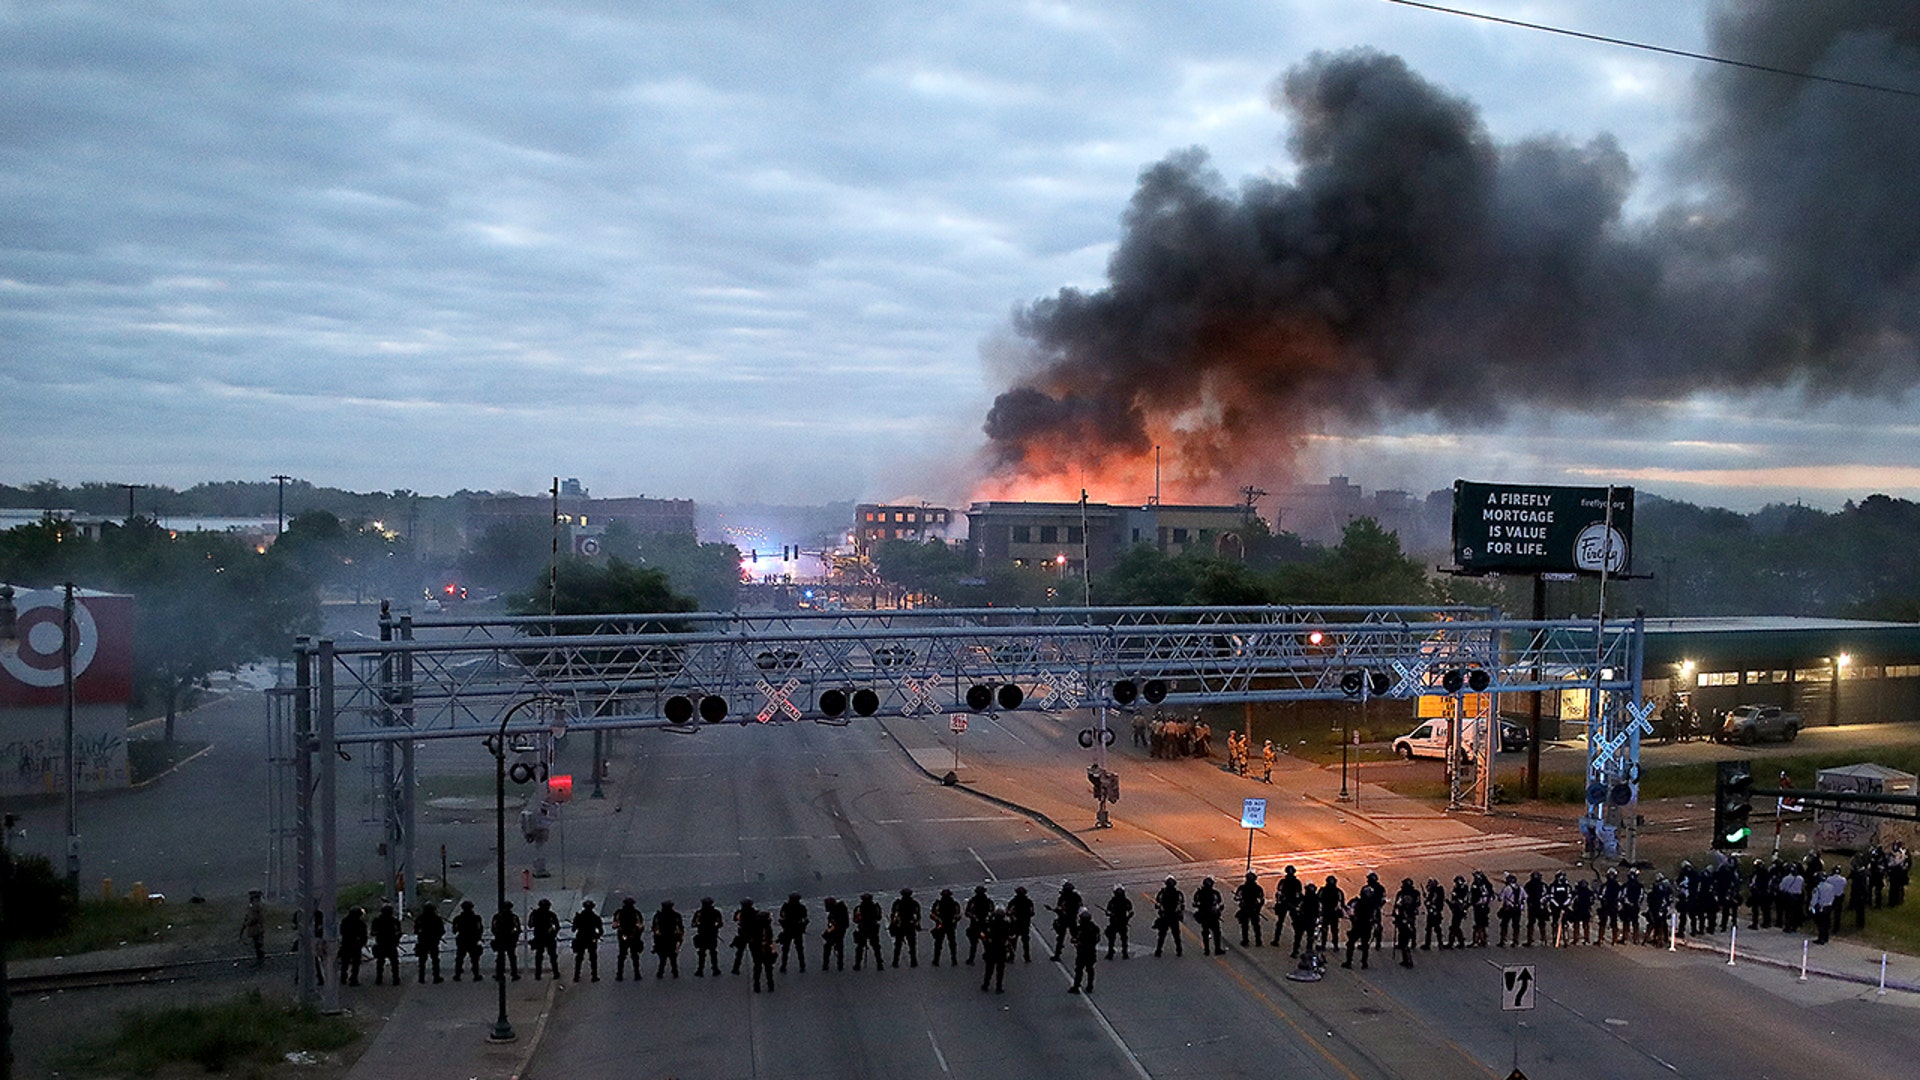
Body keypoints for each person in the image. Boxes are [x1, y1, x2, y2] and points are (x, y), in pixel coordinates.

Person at [1067, 910, 1101, 993]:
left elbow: (1076, 937)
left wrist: (1077, 941)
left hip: (1083, 951)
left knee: (1079, 969)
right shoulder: (1095, 928)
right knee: (1090, 969)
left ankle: (1076, 986)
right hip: (1091, 951)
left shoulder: (1082, 929)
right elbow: (1097, 939)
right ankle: (1090, 986)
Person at [527, 898, 561, 980]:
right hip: (547, 938)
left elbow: (530, 925)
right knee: (551, 956)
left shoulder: (537, 914)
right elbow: (557, 927)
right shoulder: (551, 915)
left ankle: (538, 974)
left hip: (541, 938)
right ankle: (555, 973)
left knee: (540, 957)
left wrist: (532, 915)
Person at [1047, 882, 1082, 961]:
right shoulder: (1076, 897)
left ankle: (1057, 955)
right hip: (1072, 919)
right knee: (1076, 936)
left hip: (1064, 920)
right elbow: (1080, 905)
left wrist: (1055, 910)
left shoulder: (1063, 898)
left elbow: (1060, 908)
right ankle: (1081, 953)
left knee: (1060, 938)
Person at [980, 906, 1012, 993]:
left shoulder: (990, 924)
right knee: (1000, 970)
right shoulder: (1006, 925)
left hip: (991, 949)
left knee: (989, 969)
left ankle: (986, 985)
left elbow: (983, 935)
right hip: (1001, 949)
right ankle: (998, 987)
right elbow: (1010, 936)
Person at [370, 903, 403, 985]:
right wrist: (396, 938)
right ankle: (395, 979)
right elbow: (399, 932)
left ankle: (380, 979)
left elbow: (372, 932)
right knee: (393, 962)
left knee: (381, 962)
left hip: (383, 943)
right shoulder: (394, 921)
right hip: (389, 944)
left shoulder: (377, 920)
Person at [451, 900, 484, 980]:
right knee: (474, 959)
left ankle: (457, 975)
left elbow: (454, 930)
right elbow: (480, 929)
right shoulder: (476, 918)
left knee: (459, 958)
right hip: (472, 940)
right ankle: (476, 975)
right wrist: (478, 937)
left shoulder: (458, 919)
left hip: (462, 939)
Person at [571, 899, 603, 982]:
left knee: (579, 958)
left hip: (581, 938)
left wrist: (576, 923)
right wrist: (597, 936)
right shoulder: (595, 917)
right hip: (591, 938)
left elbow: (573, 929)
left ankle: (576, 976)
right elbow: (601, 931)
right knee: (593, 958)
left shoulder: (579, 917)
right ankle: (594, 976)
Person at [615, 897, 647, 980]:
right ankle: (637, 974)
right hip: (634, 936)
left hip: (623, 935)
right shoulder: (636, 913)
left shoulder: (619, 913)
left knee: (622, 955)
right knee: (634, 955)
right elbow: (640, 926)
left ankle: (619, 974)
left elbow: (615, 925)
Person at [778, 893, 811, 973]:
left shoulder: (786, 907)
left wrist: (784, 925)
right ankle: (802, 965)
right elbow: (805, 919)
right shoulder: (801, 907)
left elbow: (781, 917)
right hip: (797, 930)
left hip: (788, 930)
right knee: (799, 949)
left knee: (786, 949)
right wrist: (802, 926)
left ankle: (784, 965)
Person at [1152, 877, 1185, 957]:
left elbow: (1157, 905)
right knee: (1176, 935)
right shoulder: (1178, 893)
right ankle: (1179, 950)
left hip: (1165, 917)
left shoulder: (1162, 893)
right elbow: (1182, 905)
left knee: (1162, 935)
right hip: (1174, 917)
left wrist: (1162, 908)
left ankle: (1158, 951)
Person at [890, 887, 922, 968]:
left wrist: (893, 925)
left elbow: (894, 915)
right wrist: (918, 925)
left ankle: (895, 961)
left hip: (900, 926)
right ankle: (913, 961)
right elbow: (918, 916)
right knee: (912, 945)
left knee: (898, 945)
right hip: (910, 926)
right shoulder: (914, 903)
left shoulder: (897, 903)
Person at [1194, 876, 1226, 956]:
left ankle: (1207, 950)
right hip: (1213, 916)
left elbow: (1195, 903)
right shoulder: (1215, 893)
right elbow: (1220, 904)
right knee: (1216, 933)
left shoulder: (1199, 893)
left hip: (1204, 916)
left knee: (1205, 932)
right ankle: (1217, 949)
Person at [853, 892, 885, 970]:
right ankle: (879, 964)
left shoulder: (858, 908)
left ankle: (857, 964)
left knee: (860, 947)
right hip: (873, 929)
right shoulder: (875, 907)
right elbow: (879, 917)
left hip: (863, 929)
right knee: (876, 946)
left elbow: (855, 920)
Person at [692, 897, 724, 976]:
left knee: (702, 953)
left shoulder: (699, 913)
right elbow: (720, 924)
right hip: (712, 935)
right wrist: (714, 927)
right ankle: (715, 969)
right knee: (713, 952)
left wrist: (700, 925)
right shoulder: (716, 912)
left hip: (702, 935)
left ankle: (700, 970)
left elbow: (693, 924)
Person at [415, 902, 446, 983]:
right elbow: (442, 930)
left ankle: (421, 978)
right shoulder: (437, 919)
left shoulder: (420, 918)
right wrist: (438, 937)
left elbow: (416, 930)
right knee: (435, 960)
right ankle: (436, 977)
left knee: (422, 961)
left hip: (423, 941)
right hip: (433, 941)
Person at [929, 888, 961, 966]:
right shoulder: (954, 904)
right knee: (952, 943)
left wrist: (939, 921)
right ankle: (954, 959)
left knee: (938, 944)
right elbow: (958, 915)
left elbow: (932, 915)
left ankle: (936, 960)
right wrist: (953, 921)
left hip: (941, 926)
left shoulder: (938, 904)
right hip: (950, 926)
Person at [490, 901, 522, 981]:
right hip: (510, 940)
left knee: (500, 958)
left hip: (501, 940)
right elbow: (517, 929)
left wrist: (498, 935)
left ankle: (499, 974)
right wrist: (514, 937)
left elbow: (493, 928)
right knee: (512, 958)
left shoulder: (497, 917)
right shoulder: (514, 917)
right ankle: (514, 974)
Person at [1391, 879, 1419, 968]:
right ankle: (1411, 943)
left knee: (1404, 939)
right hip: (1410, 916)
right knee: (1409, 931)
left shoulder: (1401, 894)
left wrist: (1395, 915)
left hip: (1403, 917)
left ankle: (1408, 960)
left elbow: (1397, 905)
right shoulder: (1415, 893)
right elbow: (1418, 903)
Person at [652, 899, 684, 977]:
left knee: (663, 956)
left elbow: (654, 928)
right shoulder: (676, 915)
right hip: (672, 938)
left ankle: (661, 972)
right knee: (673, 956)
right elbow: (681, 928)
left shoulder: (658, 916)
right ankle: (674, 972)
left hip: (662, 938)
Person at [338, 906, 368, 986]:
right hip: (355, 945)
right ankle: (353, 979)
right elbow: (364, 935)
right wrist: (362, 942)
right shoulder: (361, 923)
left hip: (346, 944)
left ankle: (343, 977)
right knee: (355, 963)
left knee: (345, 963)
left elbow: (342, 932)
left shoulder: (345, 921)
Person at [963, 885, 994, 965]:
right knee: (986, 942)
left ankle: (971, 959)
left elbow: (967, 912)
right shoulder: (988, 901)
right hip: (984, 925)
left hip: (976, 925)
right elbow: (992, 911)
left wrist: (974, 917)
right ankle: (987, 956)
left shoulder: (973, 901)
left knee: (974, 944)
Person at [750, 907, 778, 993]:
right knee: (768, 968)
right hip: (766, 949)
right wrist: (773, 950)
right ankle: (770, 985)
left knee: (757, 968)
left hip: (757, 949)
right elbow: (770, 939)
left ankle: (757, 986)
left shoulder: (754, 927)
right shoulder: (767, 928)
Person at [1234, 872, 1266, 947]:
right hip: (1254, 909)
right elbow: (1261, 900)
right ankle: (1258, 941)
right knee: (1256, 926)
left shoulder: (1242, 888)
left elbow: (1236, 897)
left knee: (1245, 926)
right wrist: (1258, 909)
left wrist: (1240, 900)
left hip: (1245, 909)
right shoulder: (1258, 888)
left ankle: (1245, 941)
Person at [1274, 866, 1302, 948]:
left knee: (1280, 922)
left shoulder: (1283, 882)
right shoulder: (1297, 882)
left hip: (1284, 903)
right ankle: (1297, 941)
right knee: (1296, 923)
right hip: (1292, 904)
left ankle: (1276, 940)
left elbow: (1279, 892)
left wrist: (1279, 901)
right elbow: (1298, 894)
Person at [1290, 883, 1319, 958]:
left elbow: (1298, 907)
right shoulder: (1316, 899)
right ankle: (1308, 951)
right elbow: (1318, 911)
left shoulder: (1303, 899)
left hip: (1302, 920)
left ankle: (1295, 950)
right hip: (1311, 921)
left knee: (1298, 936)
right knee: (1310, 937)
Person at [1008, 886, 1036, 962]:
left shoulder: (1013, 901)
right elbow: (1032, 912)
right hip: (1025, 924)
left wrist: (1012, 916)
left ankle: (1011, 957)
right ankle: (1027, 957)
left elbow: (1008, 911)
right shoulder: (1029, 901)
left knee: (1013, 940)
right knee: (1025, 941)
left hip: (1015, 924)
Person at [821, 895, 849, 971]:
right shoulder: (839, 909)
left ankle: (827, 964)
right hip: (838, 931)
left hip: (837, 931)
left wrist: (829, 931)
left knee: (828, 947)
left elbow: (837, 924)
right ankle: (839, 965)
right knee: (838, 947)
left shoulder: (837, 911)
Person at [1104, 885, 1134, 959]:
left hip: (1119, 923)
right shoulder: (1125, 901)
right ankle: (1120, 953)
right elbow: (1131, 912)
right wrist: (1127, 918)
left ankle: (1119, 953)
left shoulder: (1114, 902)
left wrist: (1126, 918)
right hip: (1117, 923)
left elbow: (1131, 912)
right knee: (1120, 939)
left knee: (1116, 939)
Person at [730, 899, 759, 974]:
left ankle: (735, 968)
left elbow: (735, 919)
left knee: (739, 953)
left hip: (743, 934)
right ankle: (757, 966)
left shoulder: (740, 913)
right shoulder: (755, 913)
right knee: (754, 952)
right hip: (752, 935)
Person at [241, 890, 266, 967]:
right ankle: (260, 958)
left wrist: (246, 924)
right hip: (257, 928)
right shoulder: (256, 905)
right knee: (257, 944)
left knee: (257, 944)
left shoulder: (255, 906)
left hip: (256, 928)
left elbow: (253, 918)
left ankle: (260, 959)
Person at [1319, 875, 1345, 951]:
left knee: (1325, 929)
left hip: (1327, 912)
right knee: (1334, 930)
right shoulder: (1338, 891)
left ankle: (1324, 945)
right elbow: (1342, 903)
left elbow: (1318, 900)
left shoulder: (1323, 890)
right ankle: (1335, 945)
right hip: (1332, 913)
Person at [1496, 874, 1522, 947]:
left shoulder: (1506, 888)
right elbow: (1525, 897)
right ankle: (1515, 940)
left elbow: (1500, 898)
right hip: (1517, 909)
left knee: (1504, 924)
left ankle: (1503, 940)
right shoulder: (1520, 888)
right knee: (1516, 925)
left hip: (1508, 909)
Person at [1445, 876, 1469, 949]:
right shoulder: (1457, 889)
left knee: (1454, 926)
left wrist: (1453, 903)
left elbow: (1462, 902)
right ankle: (1459, 942)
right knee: (1455, 926)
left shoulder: (1462, 890)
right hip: (1456, 910)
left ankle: (1454, 942)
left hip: (1459, 911)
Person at [1421, 878, 1445, 950]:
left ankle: (1437, 943)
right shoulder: (1435, 892)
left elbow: (1434, 902)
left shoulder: (1436, 892)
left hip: (1435, 912)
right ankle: (1430, 944)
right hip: (1433, 912)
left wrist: (1428, 902)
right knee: (1430, 928)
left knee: (1435, 928)